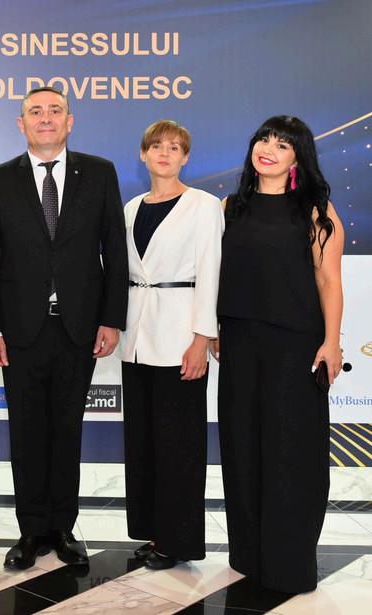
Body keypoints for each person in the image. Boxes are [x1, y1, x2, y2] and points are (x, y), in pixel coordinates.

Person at [0, 86, 128, 570]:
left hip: (78, 329)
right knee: (26, 433)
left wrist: (112, 318)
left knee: (67, 430)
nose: (46, 118)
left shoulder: (99, 173)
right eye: (35, 112)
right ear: (21, 124)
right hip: (19, 331)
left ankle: (63, 528)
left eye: (55, 111)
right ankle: (30, 531)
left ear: (70, 121)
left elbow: (115, 251)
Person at [215, 115, 344, 593]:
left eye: (283, 144)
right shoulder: (230, 207)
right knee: (242, 447)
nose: (268, 148)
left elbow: (329, 281)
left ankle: (289, 564)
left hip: (295, 346)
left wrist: (331, 341)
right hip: (238, 343)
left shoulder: (316, 210)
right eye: (264, 139)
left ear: (297, 159)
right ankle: (249, 555)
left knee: (292, 452)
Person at [119, 120, 223, 570]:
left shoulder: (203, 205)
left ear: (186, 157)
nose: (165, 153)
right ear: (143, 154)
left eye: (175, 147)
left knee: (179, 445)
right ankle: (154, 531)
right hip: (135, 339)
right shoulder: (130, 208)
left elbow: (211, 272)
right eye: (157, 146)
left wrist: (202, 338)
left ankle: (177, 541)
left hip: (181, 338)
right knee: (143, 443)